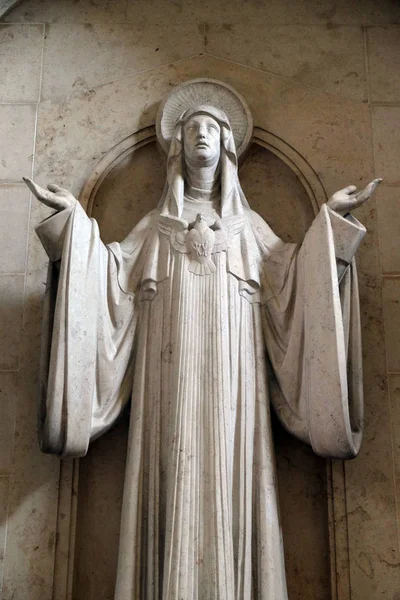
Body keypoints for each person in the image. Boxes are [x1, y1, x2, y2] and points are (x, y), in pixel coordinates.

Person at [24, 104, 381, 600]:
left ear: (228, 146)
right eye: (192, 128)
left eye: (211, 128)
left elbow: (295, 281)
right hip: (167, 378)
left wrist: (331, 228)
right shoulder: (156, 226)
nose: (201, 135)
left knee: (236, 479)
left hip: (235, 382)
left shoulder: (247, 228)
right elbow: (109, 283)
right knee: (170, 473)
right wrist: (71, 227)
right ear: (177, 146)